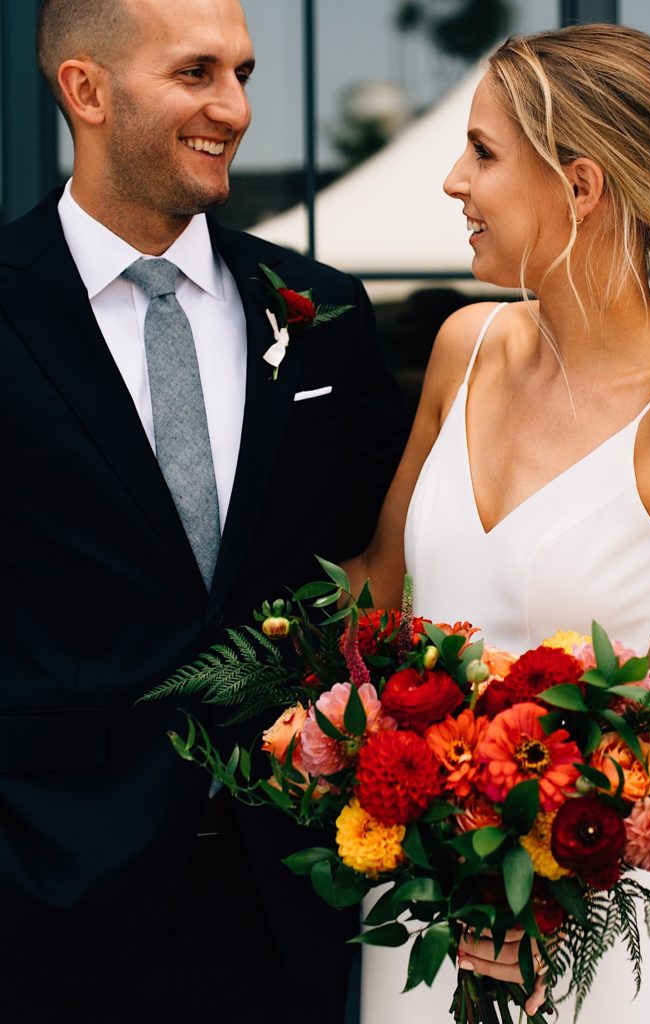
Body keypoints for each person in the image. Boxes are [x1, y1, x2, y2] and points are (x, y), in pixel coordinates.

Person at [0, 1, 407, 1021]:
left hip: (290, 901)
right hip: (44, 898)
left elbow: (380, 564)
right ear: (85, 90)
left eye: (243, 72)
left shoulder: (320, 311)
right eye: (196, 74)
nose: (232, 107)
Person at [345, 22, 650, 1024]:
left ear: (577, 189)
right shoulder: (465, 345)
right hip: (418, 905)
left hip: (599, 926)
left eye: (483, 153)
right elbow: (372, 594)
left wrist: (548, 897)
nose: (454, 181)